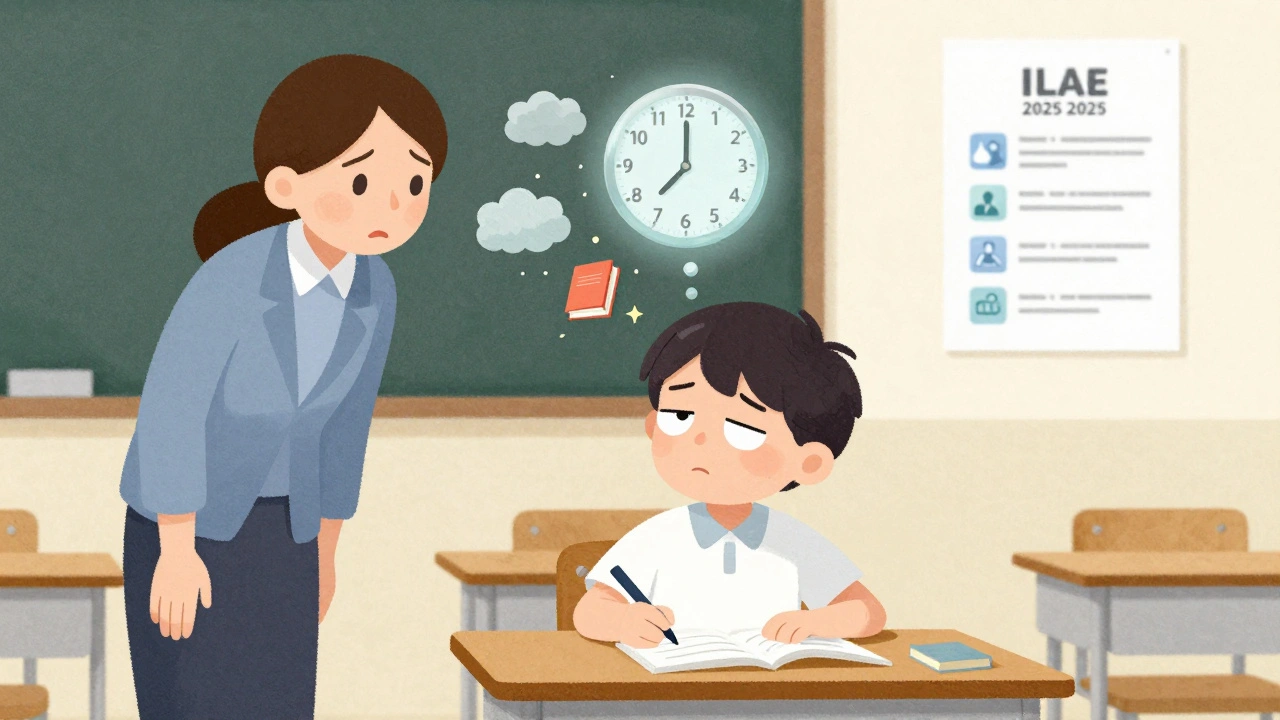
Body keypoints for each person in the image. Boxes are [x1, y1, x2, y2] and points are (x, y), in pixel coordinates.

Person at [118, 54, 447, 719]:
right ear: (285, 186)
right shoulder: (232, 277)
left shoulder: (376, 287)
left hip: (288, 531)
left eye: (414, 183)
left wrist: (326, 551)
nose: (392, 205)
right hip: (193, 523)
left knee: (280, 701)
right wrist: (176, 552)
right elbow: (171, 415)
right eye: (362, 182)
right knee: (192, 699)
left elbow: (345, 427)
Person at [572, 303, 886, 646]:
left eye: (742, 428)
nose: (701, 439)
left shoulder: (793, 541)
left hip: (770, 690)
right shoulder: (659, 536)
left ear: (809, 463)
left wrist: (818, 621)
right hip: (669, 688)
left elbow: (868, 611)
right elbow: (590, 611)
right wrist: (622, 620)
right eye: (680, 417)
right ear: (653, 425)